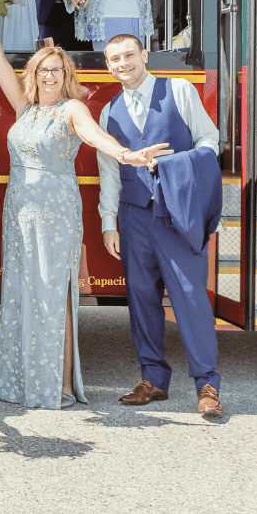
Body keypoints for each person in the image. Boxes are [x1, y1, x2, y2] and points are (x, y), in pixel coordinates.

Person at [0, 0, 169, 410]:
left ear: (66, 76)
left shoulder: (72, 109)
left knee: (53, 294)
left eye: (57, 70)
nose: (49, 76)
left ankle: (56, 384)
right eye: (44, 69)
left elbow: (96, 136)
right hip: (19, 210)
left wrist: (126, 154)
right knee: (21, 292)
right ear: (35, 74)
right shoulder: (25, 108)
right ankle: (21, 380)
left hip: (55, 210)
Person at [98, 34, 224, 418]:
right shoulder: (109, 112)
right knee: (141, 298)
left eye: (129, 55)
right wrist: (109, 223)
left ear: (144, 55)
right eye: (115, 59)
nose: (123, 64)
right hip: (134, 215)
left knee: (191, 298)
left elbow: (209, 140)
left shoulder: (179, 90)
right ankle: (153, 379)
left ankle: (207, 384)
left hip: (178, 211)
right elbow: (110, 173)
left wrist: (174, 168)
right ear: (108, 66)